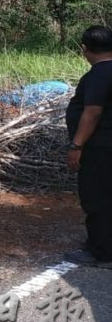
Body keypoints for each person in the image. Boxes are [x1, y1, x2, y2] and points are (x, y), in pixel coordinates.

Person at [65, 25, 112, 265]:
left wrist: (76, 146)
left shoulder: (99, 74)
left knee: (97, 198)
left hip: (100, 149)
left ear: (85, 49)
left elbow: (92, 112)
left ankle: (101, 252)